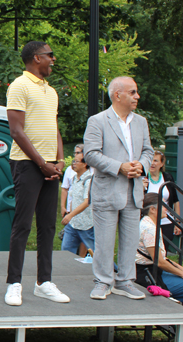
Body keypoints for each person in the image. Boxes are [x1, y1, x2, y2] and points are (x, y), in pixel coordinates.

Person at [5, 41, 70, 307]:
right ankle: (13, 283)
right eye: (49, 55)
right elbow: (16, 131)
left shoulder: (51, 91)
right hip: (27, 164)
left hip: (50, 165)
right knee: (22, 225)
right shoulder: (19, 85)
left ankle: (44, 282)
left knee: (48, 225)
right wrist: (42, 163)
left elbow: (54, 128)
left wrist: (60, 160)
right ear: (36, 58)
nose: (53, 59)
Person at [84, 76, 154, 300]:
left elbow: (148, 150)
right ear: (118, 95)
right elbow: (91, 154)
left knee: (130, 239)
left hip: (133, 190)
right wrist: (120, 167)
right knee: (104, 240)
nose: (137, 97)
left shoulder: (141, 122)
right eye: (133, 92)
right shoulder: (98, 120)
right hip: (107, 189)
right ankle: (103, 282)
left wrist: (141, 166)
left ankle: (125, 281)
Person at [135, 193, 183, 302]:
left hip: (152, 270)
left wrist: (181, 269)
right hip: (148, 274)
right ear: (152, 209)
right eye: (163, 205)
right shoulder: (150, 229)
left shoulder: (147, 223)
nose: (167, 208)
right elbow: (160, 262)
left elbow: (162, 259)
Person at [142, 151, 181, 250]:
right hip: (149, 222)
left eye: (156, 160)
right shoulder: (143, 177)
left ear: (162, 164)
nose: (152, 163)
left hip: (166, 221)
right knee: (150, 250)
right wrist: (141, 188)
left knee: (163, 250)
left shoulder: (167, 177)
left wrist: (177, 222)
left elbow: (175, 200)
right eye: (151, 160)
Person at [61, 153, 94, 256]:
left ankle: (114, 270)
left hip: (86, 224)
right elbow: (74, 198)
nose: (73, 164)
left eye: (76, 161)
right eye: (73, 161)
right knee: (66, 251)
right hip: (73, 223)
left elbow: (87, 202)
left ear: (85, 164)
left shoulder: (89, 180)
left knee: (96, 253)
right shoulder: (75, 178)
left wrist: (70, 215)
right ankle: (67, 271)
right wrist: (69, 214)